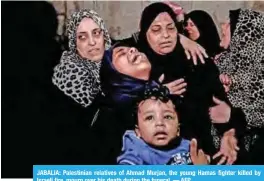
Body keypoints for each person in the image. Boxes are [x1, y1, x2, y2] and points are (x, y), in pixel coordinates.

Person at [136, 2, 247, 163]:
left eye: (171, 28)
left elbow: (224, 107)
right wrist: (157, 92)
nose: (165, 35)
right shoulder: (138, 68)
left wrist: (229, 133)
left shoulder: (198, 61)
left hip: (204, 154)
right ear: (144, 34)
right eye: (156, 30)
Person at [100, 42, 243, 164]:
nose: (133, 49)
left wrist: (229, 130)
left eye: (168, 117)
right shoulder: (111, 116)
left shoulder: (174, 90)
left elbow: (205, 121)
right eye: (121, 53)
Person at [216, 8, 264, 164]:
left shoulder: (258, 79)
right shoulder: (218, 65)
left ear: (244, 33)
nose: (222, 26)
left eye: (229, 24)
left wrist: (233, 116)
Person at [117, 86, 210, 165]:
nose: (160, 123)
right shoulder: (135, 151)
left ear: (178, 128)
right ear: (138, 131)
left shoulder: (189, 148)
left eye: (167, 117)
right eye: (149, 118)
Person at [52, 9, 111, 108]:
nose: (92, 42)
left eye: (96, 33)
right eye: (82, 37)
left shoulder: (112, 62)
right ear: (74, 43)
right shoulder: (71, 71)